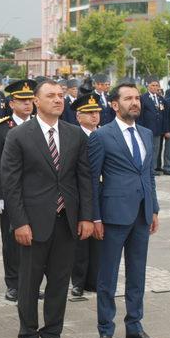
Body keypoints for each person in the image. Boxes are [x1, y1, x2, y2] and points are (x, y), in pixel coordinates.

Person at [1, 79, 93, 338]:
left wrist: (87, 216)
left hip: (66, 222)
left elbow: (84, 179)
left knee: (59, 285)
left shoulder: (75, 134)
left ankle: (52, 337)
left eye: (61, 95)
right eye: (50, 96)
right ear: (36, 102)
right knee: (28, 286)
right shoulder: (19, 135)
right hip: (33, 224)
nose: (57, 100)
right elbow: (11, 182)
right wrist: (20, 222)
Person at [88, 82, 162, 338]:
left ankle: (134, 327)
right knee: (107, 277)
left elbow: (149, 175)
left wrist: (154, 209)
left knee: (137, 274)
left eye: (137, 98)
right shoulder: (102, 136)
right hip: (112, 216)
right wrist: (95, 217)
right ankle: (105, 331)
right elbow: (92, 180)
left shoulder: (145, 133)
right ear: (114, 104)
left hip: (141, 215)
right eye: (128, 98)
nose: (135, 103)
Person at [0, 79, 36, 302]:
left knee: (35, 240)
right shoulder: (2, 128)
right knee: (12, 241)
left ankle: (30, 282)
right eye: (22, 101)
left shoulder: (38, 125)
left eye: (30, 100)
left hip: (36, 194)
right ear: (12, 103)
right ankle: (13, 284)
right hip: (10, 194)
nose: (27, 105)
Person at [69, 93, 102, 297]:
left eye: (97, 112)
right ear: (78, 116)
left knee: (99, 239)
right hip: (80, 193)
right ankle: (78, 281)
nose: (94, 116)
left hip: (100, 192)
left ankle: (94, 279)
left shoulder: (104, 135)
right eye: (89, 113)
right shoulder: (73, 136)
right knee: (81, 240)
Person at [137, 77, 165, 173]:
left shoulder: (160, 98)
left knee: (156, 149)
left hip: (157, 129)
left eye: (157, 85)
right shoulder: (143, 98)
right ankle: (146, 168)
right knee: (146, 149)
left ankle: (153, 168)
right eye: (153, 85)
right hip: (146, 128)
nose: (155, 87)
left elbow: (162, 113)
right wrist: (140, 128)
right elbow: (139, 115)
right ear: (148, 86)